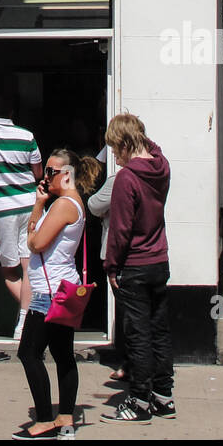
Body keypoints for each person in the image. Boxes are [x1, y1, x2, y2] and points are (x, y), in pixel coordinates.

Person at [13, 149, 102, 440]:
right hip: (64, 288)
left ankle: (44, 421)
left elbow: (36, 242)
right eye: (46, 171)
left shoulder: (64, 204)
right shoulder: (70, 202)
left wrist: (38, 209)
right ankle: (65, 420)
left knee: (29, 353)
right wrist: (40, 204)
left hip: (49, 293)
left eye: (51, 171)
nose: (45, 176)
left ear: (67, 175)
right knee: (63, 355)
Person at [100, 114, 174, 422]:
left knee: (138, 335)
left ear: (125, 143)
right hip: (159, 261)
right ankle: (164, 397)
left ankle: (140, 401)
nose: (114, 157)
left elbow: (120, 230)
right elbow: (152, 148)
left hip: (134, 265)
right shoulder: (162, 166)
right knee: (159, 332)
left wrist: (111, 266)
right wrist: (143, 140)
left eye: (116, 149)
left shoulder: (127, 179)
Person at [0, 106, 43, 342]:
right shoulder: (27, 135)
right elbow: (38, 173)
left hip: (1, 209)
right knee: (29, 265)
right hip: (30, 205)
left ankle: (27, 321)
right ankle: (26, 322)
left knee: (8, 270)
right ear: (12, 111)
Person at [86, 158, 126, 381]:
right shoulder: (154, 175)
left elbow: (94, 205)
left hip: (119, 254)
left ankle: (131, 367)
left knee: (127, 316)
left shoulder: (118, 180)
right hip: (149, 256)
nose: (116, 158)